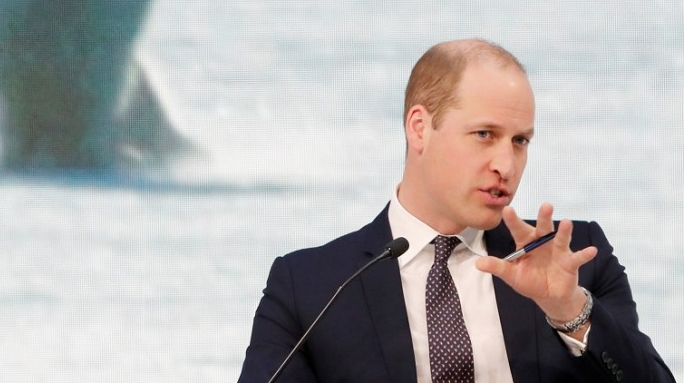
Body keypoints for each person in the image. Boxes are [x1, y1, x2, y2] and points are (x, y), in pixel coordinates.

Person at [237, 39, 675, 383]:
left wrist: (570, 311)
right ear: (420, 128)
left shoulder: (575, 259)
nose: (506, 165)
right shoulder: (312, 288)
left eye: (520, 141)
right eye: (484, 134)